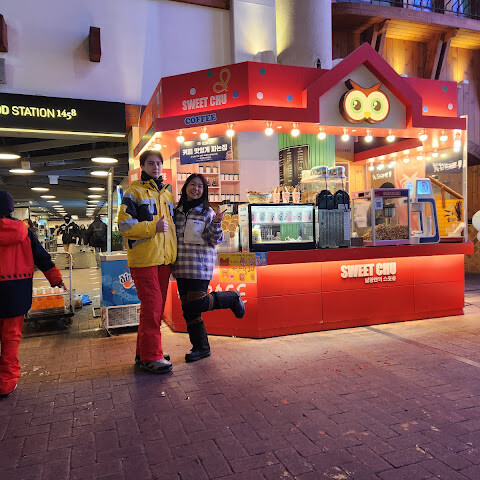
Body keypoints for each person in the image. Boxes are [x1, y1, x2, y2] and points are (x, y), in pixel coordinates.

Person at [173, 174, 245, 363]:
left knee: (196, 303)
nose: (196, 189)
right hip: (180, 265)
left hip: (199, 265)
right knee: (189, 310)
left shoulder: (207, 212)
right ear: (185, 187)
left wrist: (217, 222)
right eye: (193, 185)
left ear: (204, 191)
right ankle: (201, 347)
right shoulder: (176, 211)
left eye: (200, 186)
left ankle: (232, 297)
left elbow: (214, 240)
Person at [0, 191, 65, 398]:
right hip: (17, 292)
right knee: (11, 338)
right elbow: (42, 257)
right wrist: (56, 279)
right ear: (11, 208)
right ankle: (6, 382)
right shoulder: (24, 232)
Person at [118, 150, 177, 374]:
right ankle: (152, 356)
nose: (156, 167)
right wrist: (153, 227)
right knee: (152, 308)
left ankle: (145, 352)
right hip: (144, 261)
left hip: (164, 260)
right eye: (151, 163)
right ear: (142, 166)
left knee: (155, 309)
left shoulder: (167, 194)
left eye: (159, 163)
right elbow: (124, 225)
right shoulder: (133, 192)